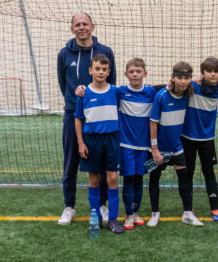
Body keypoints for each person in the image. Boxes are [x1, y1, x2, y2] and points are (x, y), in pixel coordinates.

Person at [57, 12, 116, 226]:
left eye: (85, 24)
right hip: (73, 115)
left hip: (100, 117)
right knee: (71, 161)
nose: (81, 27)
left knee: (101, 164)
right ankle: (69, 206)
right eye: (77, 24)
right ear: (72, 29)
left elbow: (111, 82)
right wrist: (76, 100)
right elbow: (63, 84)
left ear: (93, 26)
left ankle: (102, 204)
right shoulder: (64, 54)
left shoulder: (105, 51)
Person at [148, 61, 203, 227]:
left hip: (176, 146)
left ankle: (188, 213)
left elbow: (210, 80)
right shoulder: (161, 96)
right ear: (173, 77)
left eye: (187, 78)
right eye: (180, 78)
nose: (183, 81)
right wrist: (155, 149)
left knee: (184, 176)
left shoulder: (188, 93)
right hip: (160, 147)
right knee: (155, 178)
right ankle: (155, 213)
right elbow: (153, 123)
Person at [74, 54, 123, 234]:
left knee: (113, 178)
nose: (101, 72)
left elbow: (136, 90)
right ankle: (95, 218)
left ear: (109, 72)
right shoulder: (83, 93)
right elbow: (78, 119)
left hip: (111, 139)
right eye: (97, 68)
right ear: (90, 70)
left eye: (104, 69)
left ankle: (113, 220)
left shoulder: (116, 91)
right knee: (94, 178)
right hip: (92, 141)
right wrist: (80, 143)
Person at [181, 57, 218, 222]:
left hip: (207, 140)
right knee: (187, 174)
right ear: (202, 73)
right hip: (187, 138)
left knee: (209, 173)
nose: (213, 74)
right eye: (209, 71)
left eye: (216, 71)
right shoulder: (192, 86)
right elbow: (176, 83)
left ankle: (215, 208)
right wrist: (192, 79)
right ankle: (188, 209)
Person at [116, 58, 156, 230]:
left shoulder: (151, 92)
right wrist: (81, 88)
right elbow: (101, 89)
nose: (135, 74)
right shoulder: (120, 92)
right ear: (126, 74)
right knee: (129, 178)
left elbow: (168, 89)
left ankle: (136, 212)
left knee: (139, 178)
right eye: (131, 72)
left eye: (138, 71)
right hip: (126, 145)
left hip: (144, 146)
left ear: (144, 74)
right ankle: (128, 216)